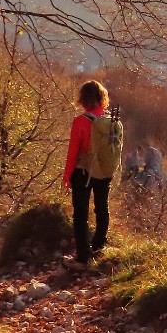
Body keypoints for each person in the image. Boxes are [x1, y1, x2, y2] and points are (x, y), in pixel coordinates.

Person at [63, 80, 123, 265]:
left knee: (80, 213)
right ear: (101, 98)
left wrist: (67, 176)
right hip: (105, 171)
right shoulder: (111, 121)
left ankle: (82, 257)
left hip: (83, 172)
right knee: (101, 208)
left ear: (83, 98)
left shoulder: (80, 121)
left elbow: (73, 151)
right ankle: (98, 247)